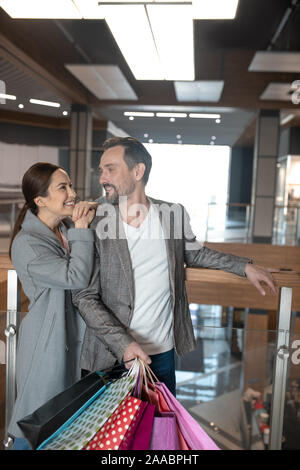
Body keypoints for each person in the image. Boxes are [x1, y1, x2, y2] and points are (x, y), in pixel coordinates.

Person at [73, 137, 277, 397]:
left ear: (138, 171)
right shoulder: (93, 218)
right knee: (108, 438)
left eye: (110, 169)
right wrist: (124, 345)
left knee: (160, 432)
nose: (102, 178)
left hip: (161, 356)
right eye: (101, 170)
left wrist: (244, 267)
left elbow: (194, 253)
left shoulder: (172, 214)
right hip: (110, 357)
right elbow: (84, 296)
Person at [7, 162, 96, 450]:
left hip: (74, 338)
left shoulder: (65, 230)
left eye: (71, 185)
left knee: (65, 426)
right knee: (37, 421)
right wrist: (83, 228)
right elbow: (75, 276)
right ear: (40, 199)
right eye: (63, 187)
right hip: (48, 343)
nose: (72, 192)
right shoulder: (28, 243)